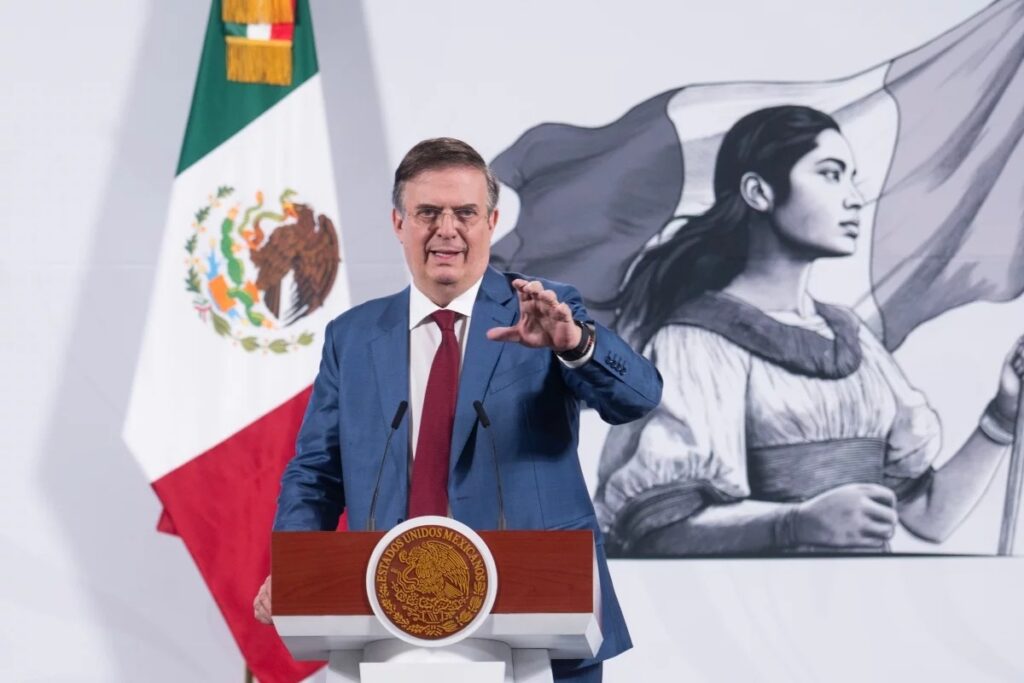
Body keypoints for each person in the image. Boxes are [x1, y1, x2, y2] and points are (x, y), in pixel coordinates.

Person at [253, 137, 663, 680]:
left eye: (465, 213)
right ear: (399, 223)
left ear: (491, 222)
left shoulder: (544, 311)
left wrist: (576, 345)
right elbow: (316, 473)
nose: (447, 230)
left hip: (542, 617)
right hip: (388, 621)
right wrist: (296, 563)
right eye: (428, 212)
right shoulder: (352, 337)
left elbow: (638, 398)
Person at [593, 105, 1024, 556]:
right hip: (757, 599)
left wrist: (1003, 415)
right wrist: (795, 524)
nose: (854, 198)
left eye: (852, 178)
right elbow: (658, 530)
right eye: (830, 174)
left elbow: (929, 517)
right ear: (758, 192)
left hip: (864, 596)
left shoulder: (852, 339)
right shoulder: (696, 341)